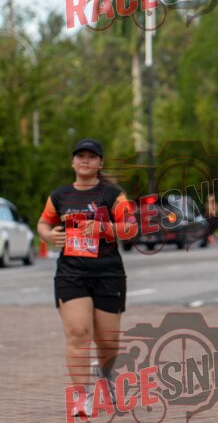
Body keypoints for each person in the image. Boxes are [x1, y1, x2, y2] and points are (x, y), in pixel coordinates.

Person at [37, 139, 131, 417]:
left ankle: (105, 374)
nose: (86, 160)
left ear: (100, 163)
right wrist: (49, 234)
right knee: (78, 333)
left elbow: (131, 227)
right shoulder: (60, 195)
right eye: (81, 156)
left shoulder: (113, 194)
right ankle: (81, 396)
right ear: (73, 162)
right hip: (71, 273)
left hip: (108, 274)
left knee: (108, 342)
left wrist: (103, 228)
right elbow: (43, 223)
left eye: (92, 156)